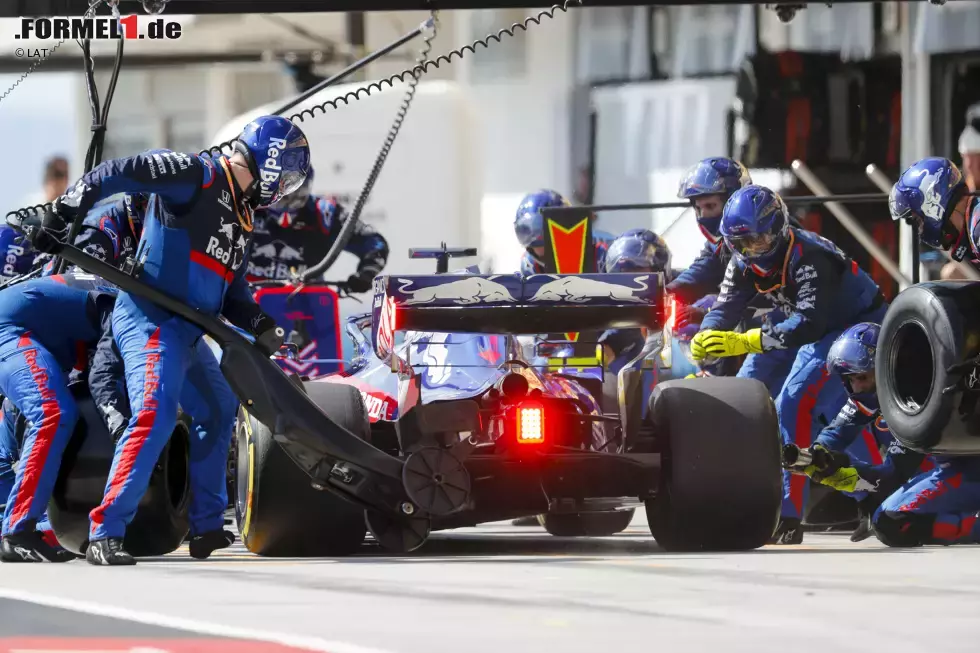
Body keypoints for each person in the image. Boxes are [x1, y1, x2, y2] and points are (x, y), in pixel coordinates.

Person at [31, 115, 309, 566]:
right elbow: (119, 171)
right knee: (156, 414)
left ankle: (205, 526)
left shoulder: (242, 219)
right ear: (272, 162)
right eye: (290, 172)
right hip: (149, 320)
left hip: (189, 329)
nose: (288, 186)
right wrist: (65, 209)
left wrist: (260, 322)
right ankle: (105, 531)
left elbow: (229, 291)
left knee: (219, 409)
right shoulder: (198, 175)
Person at [690, 184, 888, 544]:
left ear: (779, 230)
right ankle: (748, 492)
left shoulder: (811, 256)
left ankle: (807, 508)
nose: (751, 250)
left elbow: (810, 323)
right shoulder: (741, 260)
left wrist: (747, 339)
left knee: (797, 401)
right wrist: (706, 337)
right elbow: (725, 308)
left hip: (851, 330)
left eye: (759, 241)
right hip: (794, 325)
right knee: (745, 392)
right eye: (742, 244)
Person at [0, 274, 118, 562]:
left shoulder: (114, 292)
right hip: (13, 331)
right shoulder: (124, 310)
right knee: (53, 413)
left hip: (33, 335)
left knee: (39, 423)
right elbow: (104, 378)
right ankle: (17, 532)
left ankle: (28, 521)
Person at [249, 166, 389, 291]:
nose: (289, 204)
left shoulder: (324, 213)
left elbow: (374, 242)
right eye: (283, 197)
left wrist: (365, 274)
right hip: (245, 306)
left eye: (298, 196)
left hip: (306, 308)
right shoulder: (246, 209)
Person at [888, 157, 976, 267]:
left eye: (919, 220)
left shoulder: (977, 227)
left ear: (932, 201)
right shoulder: (973, 223)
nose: (920, 229)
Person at [514, 189, 614, 275]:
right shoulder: (530, 266)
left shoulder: (606, 249)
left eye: (544, 231)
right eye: (525, 232)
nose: (536, 239)